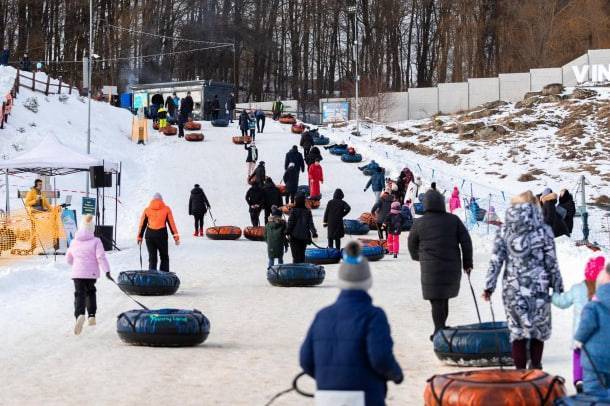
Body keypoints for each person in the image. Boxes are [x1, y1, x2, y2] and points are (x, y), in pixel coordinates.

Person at [300, 241, 403, 405]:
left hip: (327, 397)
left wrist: (328, 379)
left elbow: (305, 359)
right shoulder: (373, 316)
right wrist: (395, 374)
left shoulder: (322, 316)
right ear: (367, 281)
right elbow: (380, 357)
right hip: (364, 396)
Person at [484, 191, 563, 370]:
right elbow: (552, 263)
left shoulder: (505, 230)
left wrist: (489, 287)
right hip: (539, 289)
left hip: (513, 289)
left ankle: (519, 374)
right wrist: (558, 286)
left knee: (518, 333)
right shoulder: (544, 231)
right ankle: (535, 368)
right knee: (537, 331)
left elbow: (496, 261)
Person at [408, 189, 473, 340]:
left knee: (436, 300)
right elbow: (466, 241)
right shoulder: (453, 220)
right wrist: (467, 262)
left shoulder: (420, 223)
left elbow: (411, 243)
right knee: (443, 297)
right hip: (452, 267)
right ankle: (441, 327)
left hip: (430, 267)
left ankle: (439, 330)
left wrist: (418, 257)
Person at [552, 256, 605, 393]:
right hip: (599, 338)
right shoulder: (605, 292)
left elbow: (562, 302)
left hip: (579, 336)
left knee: (578, 357)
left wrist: (552, 294)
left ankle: (579, 380)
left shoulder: (577, 289)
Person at [66, 214, 111, 335]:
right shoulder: (96, 241)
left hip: (77, 273)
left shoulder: (74, 241)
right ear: (92, 228)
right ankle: (91, 315)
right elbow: (100, 257)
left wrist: (76, 264)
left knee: (79, 294)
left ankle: (79, 314)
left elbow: (68, 259)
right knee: (90, 292)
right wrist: (107, 270)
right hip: (91, 273)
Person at [574, 264, 610, 393]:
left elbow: (586, 326)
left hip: (595, 361)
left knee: (594, 393)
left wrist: (578, 339)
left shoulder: (594, 306)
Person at [137, 193, 180, 272]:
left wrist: (139, 237)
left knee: (152, 258)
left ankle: (152, 278)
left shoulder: (147, 210)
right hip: (161, 235)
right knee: (164, 257)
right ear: (161, 200)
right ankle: (164, 278)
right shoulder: (166, 209)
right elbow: (171, 224)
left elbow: (142, 224)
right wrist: (176, 237)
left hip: (149, 236)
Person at [286, 192, 317, 263]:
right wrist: (314, 232)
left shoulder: (293, 211)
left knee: (295, 256)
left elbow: (291, 223)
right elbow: (310, 224)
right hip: (304, 237)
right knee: (302, 255)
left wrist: (287, 231)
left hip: (294, 237)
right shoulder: (307, 211)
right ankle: (302, 270)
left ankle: (296, 271)